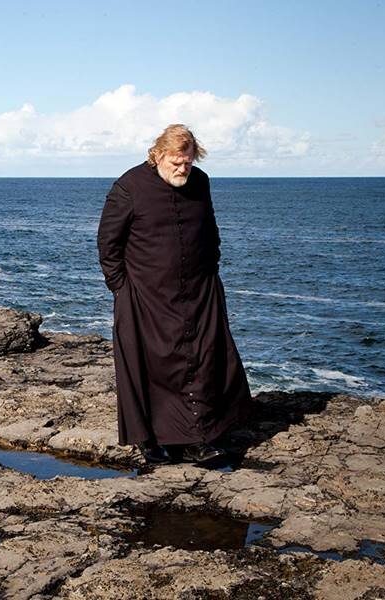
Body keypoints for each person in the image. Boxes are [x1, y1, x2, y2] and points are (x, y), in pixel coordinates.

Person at [97, 124, 253, 466]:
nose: (183, 169)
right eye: (176, 163)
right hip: (144, 296)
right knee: (152, 366)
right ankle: (150, 440)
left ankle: (197, 438)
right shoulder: (129, 187)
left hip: (197, 291)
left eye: (188, 162)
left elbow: (210, 230)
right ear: (158, 155)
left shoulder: (200, 182)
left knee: (202, 360)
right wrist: (121, 288)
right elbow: (108, 244)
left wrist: (211, 271)